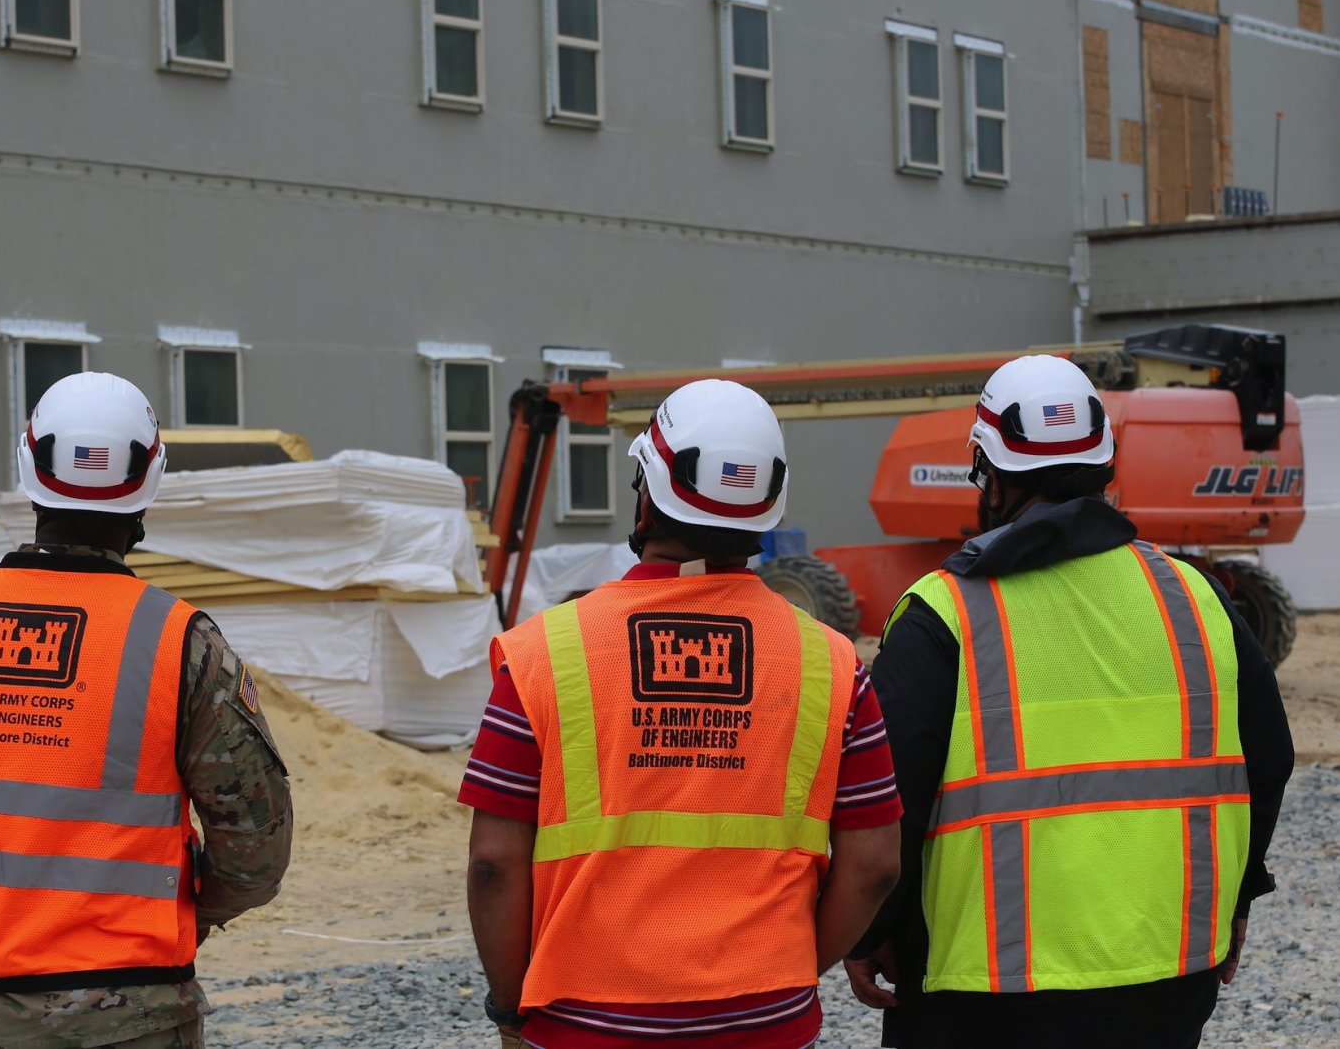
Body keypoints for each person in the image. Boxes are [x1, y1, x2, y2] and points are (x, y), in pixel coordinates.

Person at [841, 355, 1294, 1048]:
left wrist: (875, 933)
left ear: (986, 473)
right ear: (1105, 465)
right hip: (1166, 976)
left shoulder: (943, 612)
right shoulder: (1196, 599)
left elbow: (894, 803)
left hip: (981, 989)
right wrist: (1234, 900)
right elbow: (1266, 762)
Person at [0, 372, 293, 1049]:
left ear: (30, 473)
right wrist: (182, 908)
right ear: (150, 483)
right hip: (130, 1009)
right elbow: (255, 848)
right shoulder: (178, 643)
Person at [462, 379, 904, 1049]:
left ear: (647, 489)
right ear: (768, 505)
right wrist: (785, 971)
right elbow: (875, 866)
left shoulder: (540, 656)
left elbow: (495, 862)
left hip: (583, 1022)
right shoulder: (836, 665)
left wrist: (508, 1006)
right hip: (767, 1021)